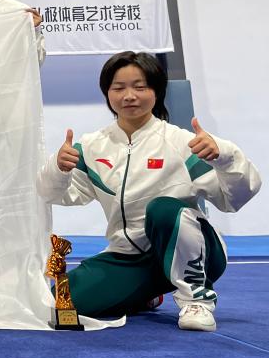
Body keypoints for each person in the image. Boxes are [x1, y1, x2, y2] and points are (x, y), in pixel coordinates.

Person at [35, 51, 261, 332]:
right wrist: (58, 168)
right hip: (129, 258)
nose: (129, 96)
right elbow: (53, 194)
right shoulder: (91, 146)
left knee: (163, 209)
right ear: (107, 93)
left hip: (196, 253)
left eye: (140, 87)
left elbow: (233, 200)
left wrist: (225, 157)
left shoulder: (183, 143)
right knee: (61, 303)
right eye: (119, 88)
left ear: (157, 91)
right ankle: (145, 292)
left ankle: (197, 300)